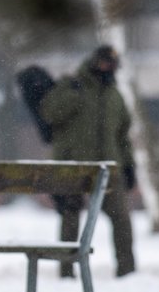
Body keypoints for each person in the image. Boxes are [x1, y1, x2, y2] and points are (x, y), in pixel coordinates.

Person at [40, 45, 136, 277]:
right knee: (71, 219)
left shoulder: (115, 95)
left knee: (121, 219)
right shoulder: (72, 85)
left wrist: (129, 165)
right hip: (73, 166)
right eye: (104, 62)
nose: (107, 67)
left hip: (108, 168)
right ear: (94, 62)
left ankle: (127, 271)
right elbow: (50, 114)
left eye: (111, 64)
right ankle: (67, 269)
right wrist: (73, 95)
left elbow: (123, 134)